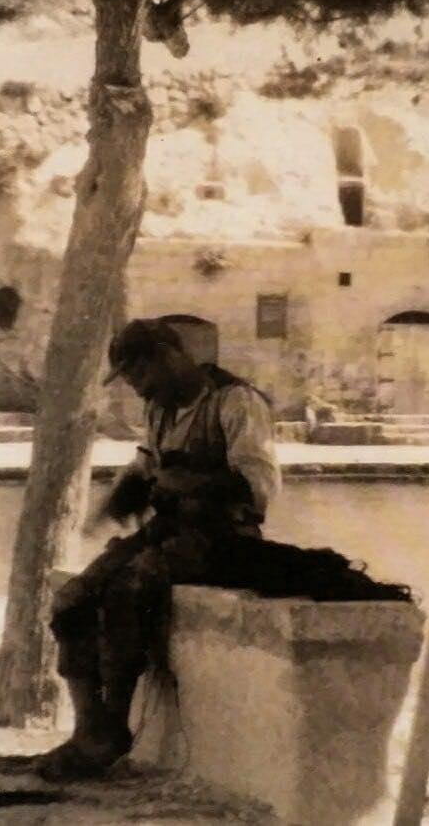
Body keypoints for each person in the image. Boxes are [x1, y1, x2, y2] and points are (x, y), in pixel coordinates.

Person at [38, 318, 281, 781]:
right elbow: (145, 466)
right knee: (71, 600)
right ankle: (87, 730)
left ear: (168, 358)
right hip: (170, 534)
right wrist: (121, 497)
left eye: (139, 375)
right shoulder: (159, 410)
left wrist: (187, 482)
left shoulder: (237, 403)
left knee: (128, 589)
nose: (137, 388)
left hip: (225, 541)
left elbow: (259, 488)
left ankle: (112, 727)